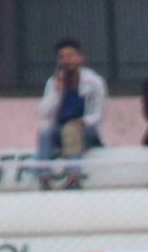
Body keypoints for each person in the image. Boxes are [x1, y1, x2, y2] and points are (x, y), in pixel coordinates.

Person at [33, 39, 107, 176]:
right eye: (62, 57)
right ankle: (42, 175)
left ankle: (75, 174)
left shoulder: (94, 82)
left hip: (86, 131)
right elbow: (44, 113)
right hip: (60, 129)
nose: (67, 60)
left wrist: (82, 122)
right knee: (45, 133)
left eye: (71, 55)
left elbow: (98, 114)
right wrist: (56, 92)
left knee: (71, 129)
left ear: (81, 58)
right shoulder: (53, 82)